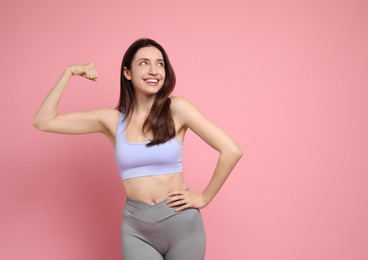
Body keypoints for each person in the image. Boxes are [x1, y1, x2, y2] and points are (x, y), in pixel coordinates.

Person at [33, 38, 242, 260]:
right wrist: (69, 72)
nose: (154, 70)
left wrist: (203, 198)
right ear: (127, 73)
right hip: (137, 228)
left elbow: (231, 150)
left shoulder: (178, 109)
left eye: (160, 64)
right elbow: (43, 121)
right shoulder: (111, 121)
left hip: (182, 224)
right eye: (144, 63)